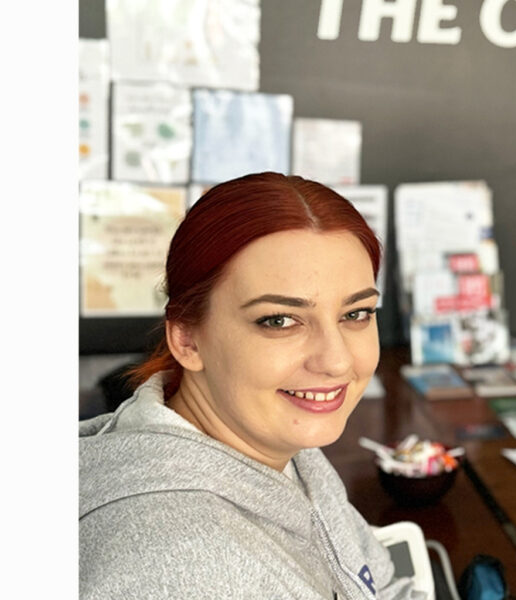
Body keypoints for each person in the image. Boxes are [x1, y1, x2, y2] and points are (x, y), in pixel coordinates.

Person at [79, 172, 410, 598]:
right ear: (187, 339)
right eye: (279, 320)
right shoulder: (188, 569)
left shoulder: (281, 448)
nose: (337, 360)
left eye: (357, 314)